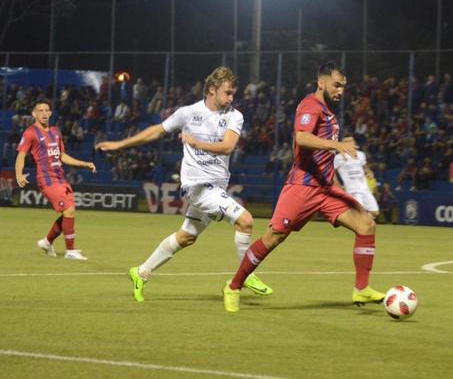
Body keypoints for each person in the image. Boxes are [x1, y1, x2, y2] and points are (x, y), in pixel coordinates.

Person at [95, 66, 272, 302]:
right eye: (227, 93)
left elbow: (228, 146)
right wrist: (119, 145)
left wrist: (197, 143)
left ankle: (141, 271)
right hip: (198, 187)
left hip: (217, 187)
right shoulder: (188, 113)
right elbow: (156, 131)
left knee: (187, 236)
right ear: (212, 89)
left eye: (233, 93)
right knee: (245, 221)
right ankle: (245, 274)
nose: (231, 98)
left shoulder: (234, 115)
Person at [222, 61, 385, 313]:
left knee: (366, 224)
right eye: (337, 85)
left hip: (325, 188)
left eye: (343, 87)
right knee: (273, 238)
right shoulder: (311, 105)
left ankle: (361, 289)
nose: (341, 91)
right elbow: (302, 137)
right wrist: (338, 146)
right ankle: (233, 286)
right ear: (321, 82)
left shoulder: (330, 112)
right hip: (302, 186)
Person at [15, 99, 96, 260]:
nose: (44, 113)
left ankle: (47, 241)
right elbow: (21, 155)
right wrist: (18, 174)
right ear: (34, 114)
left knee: (69, 212)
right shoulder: (30, 133)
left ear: (50, 113)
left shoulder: (55, 131)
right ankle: (70, 251)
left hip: (60, 178)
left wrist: (84, 163)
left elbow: (62, 156)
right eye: (40, 110)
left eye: (46, 110)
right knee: (69, 210)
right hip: (46, 179)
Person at [333, 135, 380, 218]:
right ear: (342, 144)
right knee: (360, 211)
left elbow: (365, 167)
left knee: (375, 212)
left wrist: (369, 172)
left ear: (354, 142)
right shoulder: (338, 157)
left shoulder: (361, 155)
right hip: (352, 190)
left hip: (365, 188)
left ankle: (352, 220)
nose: (349, 143)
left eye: (350, 141)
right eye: (346, 142)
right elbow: (332, 173)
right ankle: (360, 226)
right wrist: (338, 186)